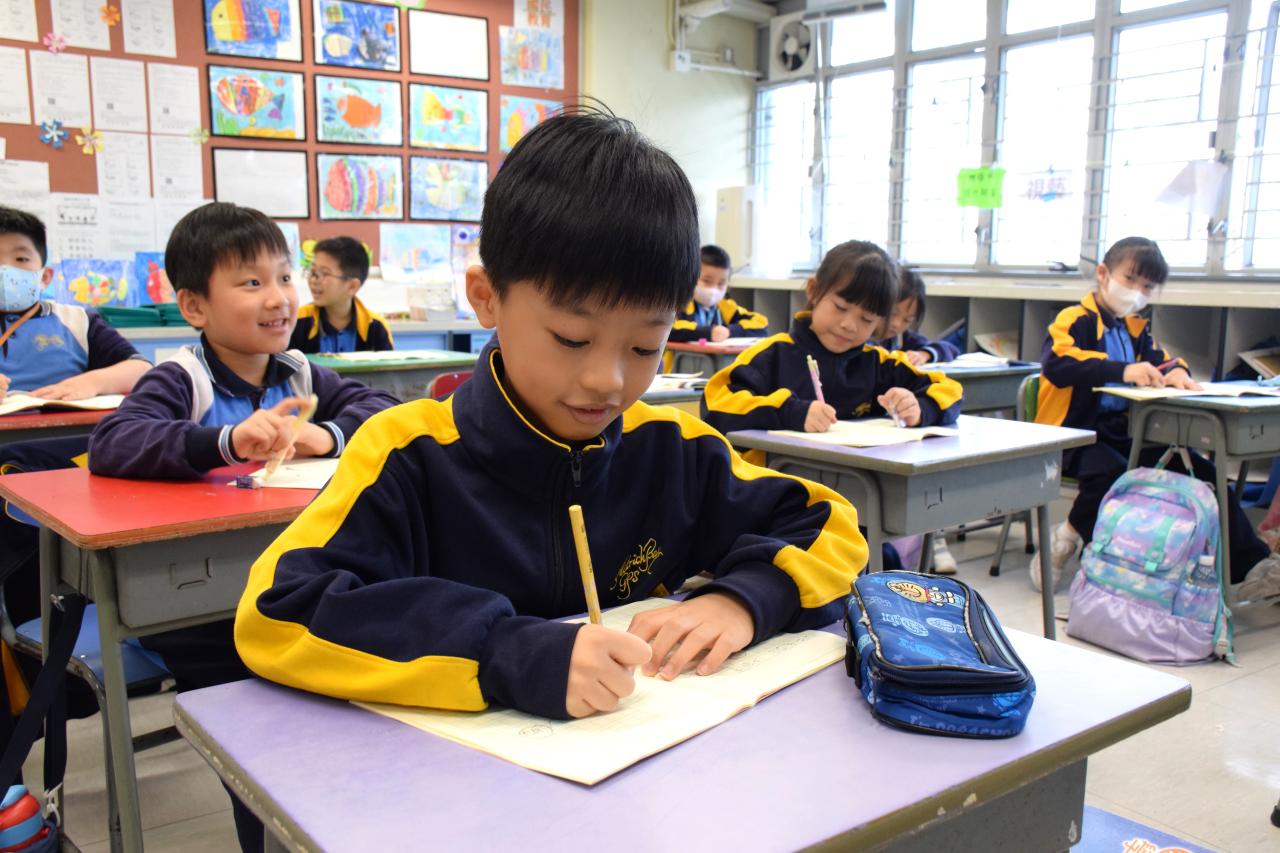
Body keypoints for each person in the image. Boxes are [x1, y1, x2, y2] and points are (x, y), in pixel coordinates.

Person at [234, 110, 867, 728]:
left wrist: (742, 599)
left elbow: (832, 526)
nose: (607, 380)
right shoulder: (406, 455)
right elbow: (276, 612)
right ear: (487, 298)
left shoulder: (674, 448)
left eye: (645, 346)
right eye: (571, 338)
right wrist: (506, 652)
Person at [1033, 236, 1280, 598]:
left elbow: (1165, 360)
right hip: (1072, 434)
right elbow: (1057, 363)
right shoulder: (1075, 319)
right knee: (1113, 473)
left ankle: (1253, 567)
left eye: (1147, 286)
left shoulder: (1134, 328)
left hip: (1123, 432)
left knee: (1205, 475)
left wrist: (1178, 372)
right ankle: (1066, 536)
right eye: (1130, 279)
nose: (1137, 292)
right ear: (1103, 274)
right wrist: (1122, 370)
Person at [700, 239, 962, 435]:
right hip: (780, 481)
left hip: (855, 482)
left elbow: (950, 391)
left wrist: (919, 408)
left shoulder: (880, 363)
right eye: (840, 307)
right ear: (814, 291)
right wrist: (789, 412)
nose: (849, 325)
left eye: (867, 319)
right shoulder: (773, 355)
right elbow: (714, 403)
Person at [289, 236, 393, 353]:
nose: (313, 280)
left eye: (324, 273)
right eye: (312, 271)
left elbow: (388, 365)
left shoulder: (376, 327)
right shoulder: (296, 322)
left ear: (352, 286)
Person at [668, 244, 768, 343]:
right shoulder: (679, 304)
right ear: (691, 277)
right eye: (707, 281)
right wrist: (708, 332)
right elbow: (669, 327)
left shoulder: (725, 307)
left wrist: (730, 331)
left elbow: (761, 324)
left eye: (721, 284)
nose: (714, 289)